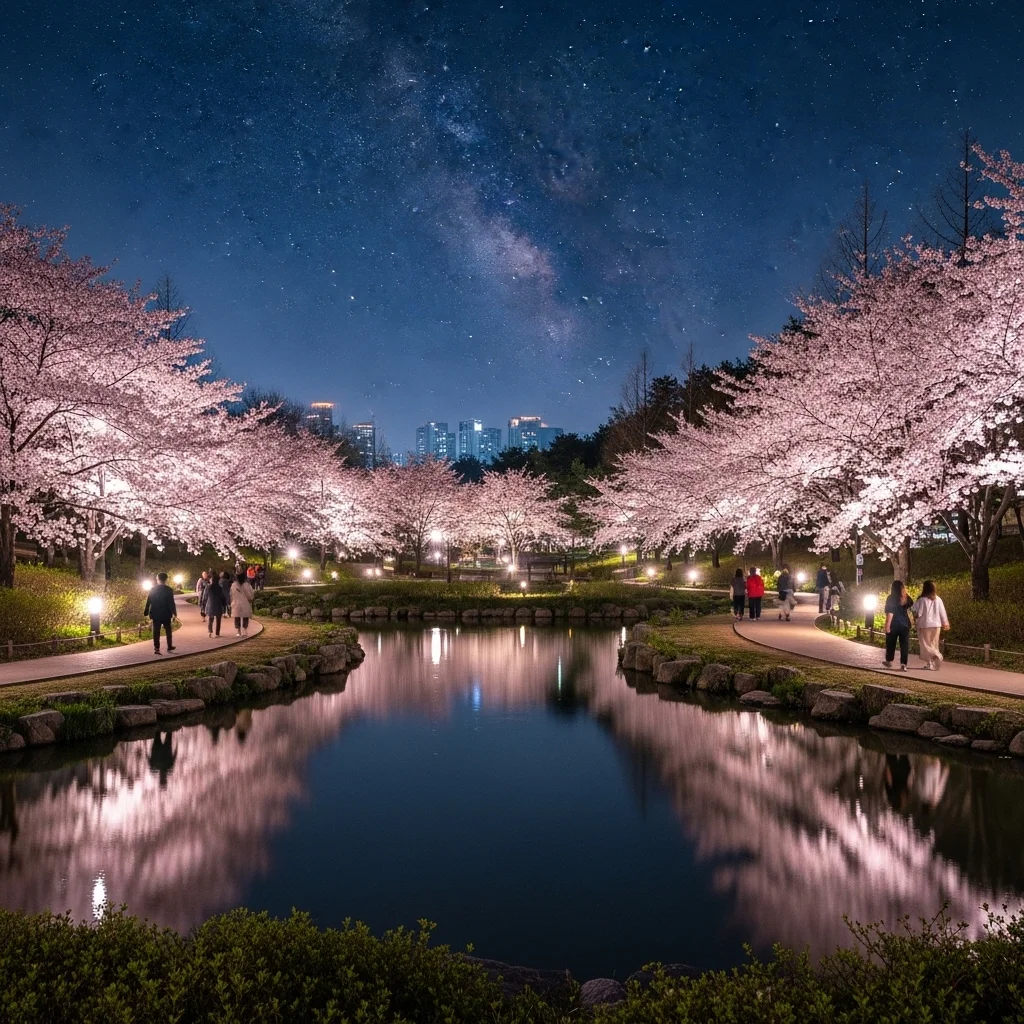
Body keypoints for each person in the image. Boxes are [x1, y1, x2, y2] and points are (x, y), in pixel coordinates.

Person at [913, 580, 950, 670]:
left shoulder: (922, 600)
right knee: (934, 644)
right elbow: (942, 612)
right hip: (937, 625)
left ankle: (937, 655)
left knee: (925, 645)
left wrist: (913, 614)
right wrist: (945, 622)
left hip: (924, 625)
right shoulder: (938, 599)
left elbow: (918, 613)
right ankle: (931, 664)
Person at [143, 572, 177, 654]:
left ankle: (157, 648)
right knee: (168, 631)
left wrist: (146, 611)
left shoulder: (153, 589)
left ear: (157, 579)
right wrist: (174, 612)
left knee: (156, 632)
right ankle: (169, 646)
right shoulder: (169, 590)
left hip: (155, 613)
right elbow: (171, 602)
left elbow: (149, 601)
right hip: (166, 613)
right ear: (166, 580)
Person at [883, 579, 913, 671]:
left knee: (891, 643)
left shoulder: (891, 598)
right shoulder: (906, 597)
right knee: (904, 645)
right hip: (905, 624)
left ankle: (889, 660)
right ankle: (903, 664)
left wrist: (887, 625)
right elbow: (911, 606)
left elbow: (890, 613)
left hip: (894, 624)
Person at [230, 572, 255, 637]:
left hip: (236, 603)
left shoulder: (234, 585)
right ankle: (245, 630)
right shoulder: (247, 585)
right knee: (245, 617)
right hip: (245, 603)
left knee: (237, 617)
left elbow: (231, 594)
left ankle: (238, 631)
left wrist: (232, 601)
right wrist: (250, 599)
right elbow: (250, 595)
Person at [205, 570, 227, 637]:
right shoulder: (220, 588)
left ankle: (210, 632)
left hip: (210, 605)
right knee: (218, 620)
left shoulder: (209, 587)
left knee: (210, 619)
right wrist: (224, 605)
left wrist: (203, 605)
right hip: (218, 605)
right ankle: (217, 633)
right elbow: (223, 597)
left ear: (212, 580)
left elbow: (205, 597)